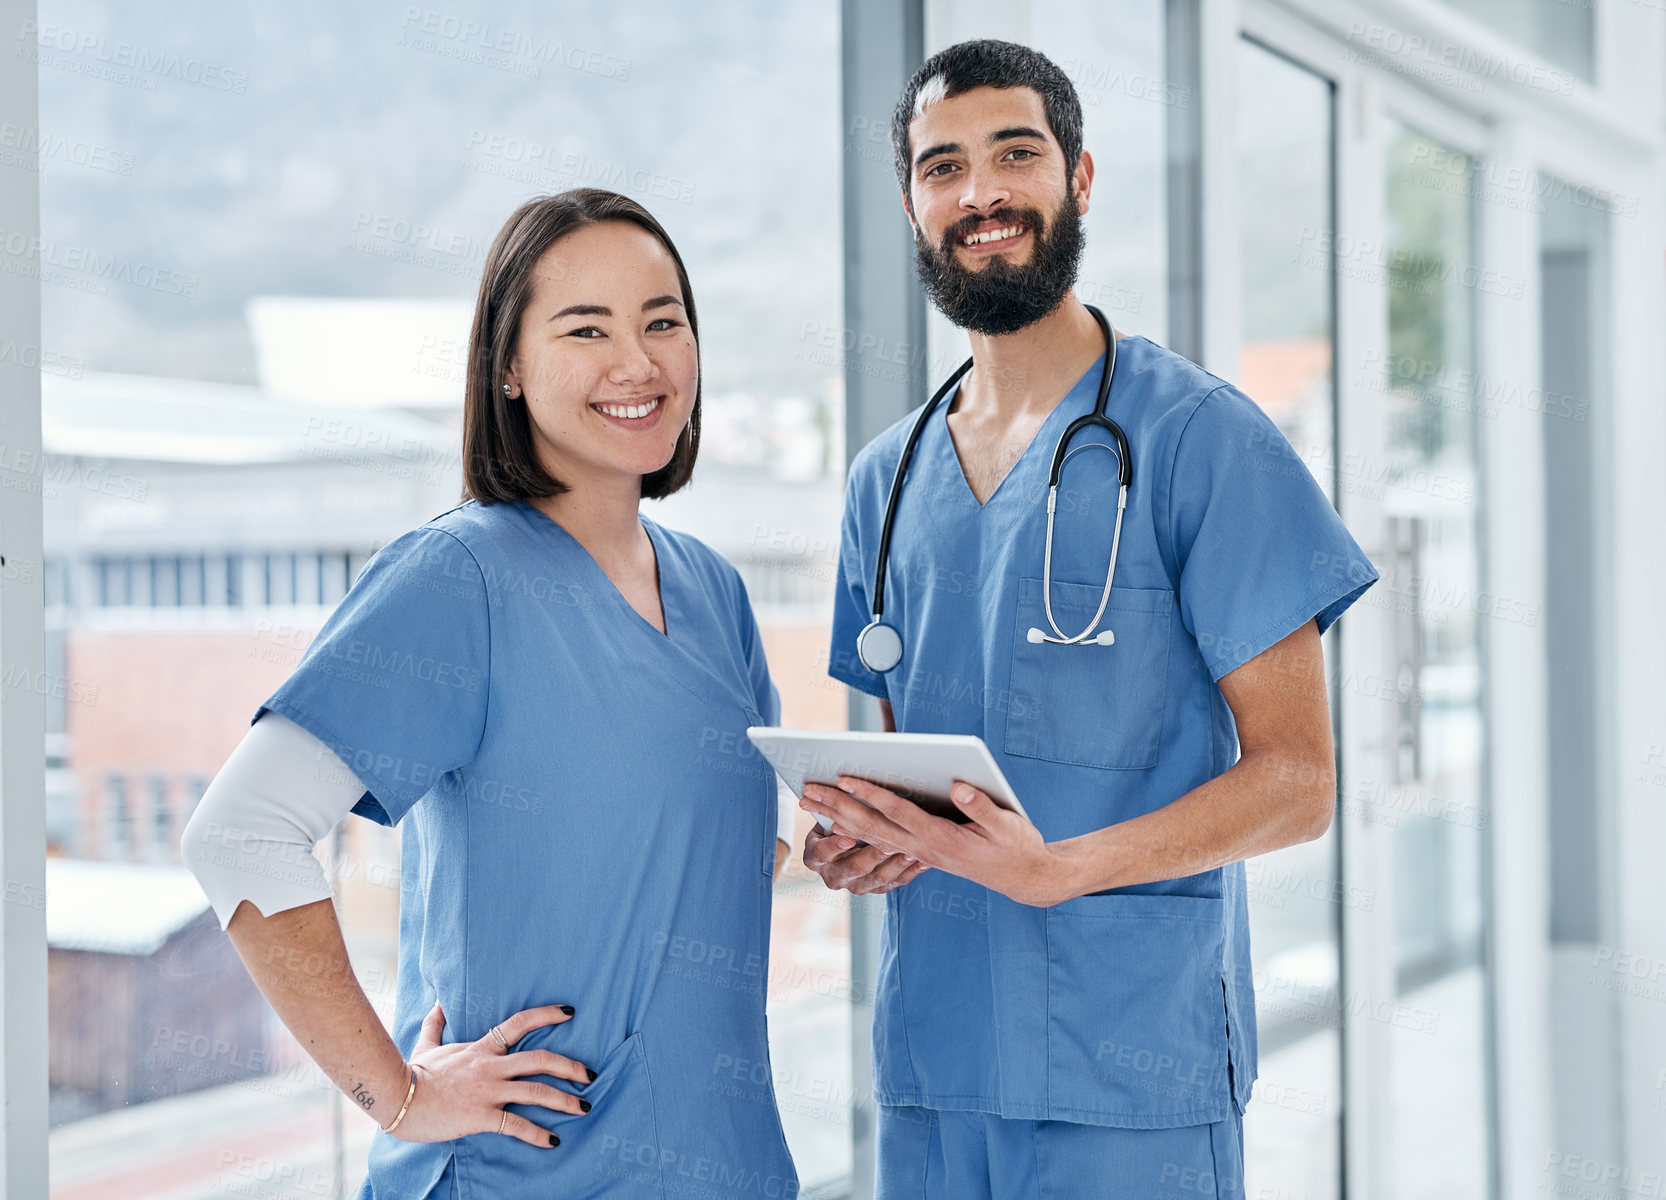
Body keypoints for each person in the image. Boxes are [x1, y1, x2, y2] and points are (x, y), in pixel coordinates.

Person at [798, 40, 1379, 1199]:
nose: (980, 195)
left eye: (1015, 154)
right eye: (941, 167)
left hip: (1133, 1071)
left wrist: (1059, 870)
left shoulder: (1200, 440)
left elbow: (1299, 782)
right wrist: (862, 838)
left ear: (1079, 177)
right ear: (912, 204)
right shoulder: (888, 478)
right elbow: (913, 767)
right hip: (936, 1066)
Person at [183, 188, 799, 1200]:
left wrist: (847, 835)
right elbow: (240, 834)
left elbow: (712, 839)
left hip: (725, 1162)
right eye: (585, 329)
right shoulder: (456, 578)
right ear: (507, 366)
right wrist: (401, 1096)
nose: (636, 362)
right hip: (527, 1175)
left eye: (662, 321)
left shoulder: (714, 591)